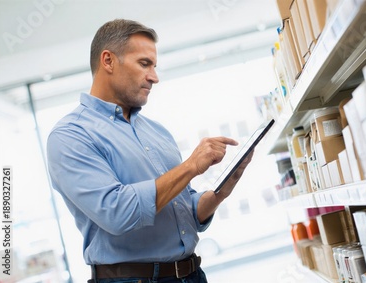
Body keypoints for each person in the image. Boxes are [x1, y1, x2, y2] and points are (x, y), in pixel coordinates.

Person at [46, 19, 254, 283]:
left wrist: (224, 187)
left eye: (154, 66)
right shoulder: (70, 136)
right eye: (145, 64)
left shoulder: (156, 131)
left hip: (192, 274)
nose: (154, 77)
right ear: (108, 61)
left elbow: (186, 211)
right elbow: (117, 213)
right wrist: (191, 165)